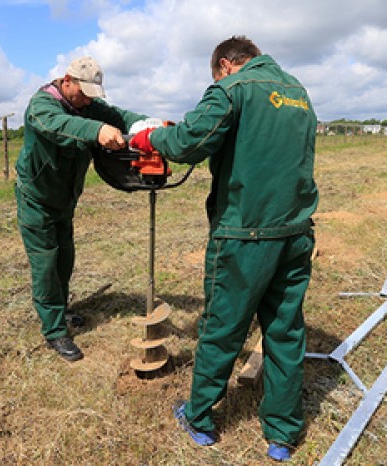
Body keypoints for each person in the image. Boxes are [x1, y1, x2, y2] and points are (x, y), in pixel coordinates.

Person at [130, 35, 318, 462]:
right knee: (285, 332)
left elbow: (188, 143)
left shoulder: (232, 89)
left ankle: (198, 417)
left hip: (244, 236)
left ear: (225, 65)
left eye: (216, 74)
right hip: (294, 231)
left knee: (221, 327)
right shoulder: (297, 92)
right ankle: (283, 434)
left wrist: (151, 139)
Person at [15, 56, 150, 362]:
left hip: (64, 199)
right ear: (67, 81)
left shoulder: (85, 105)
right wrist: (98, 131)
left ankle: (60, 311)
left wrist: (146, 125)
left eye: (93, 95)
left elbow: (118, 114)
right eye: (84, 93)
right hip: (37, 199)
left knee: (64, 258)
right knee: (46, 264)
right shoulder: (41, 107)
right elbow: (62, 126)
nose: (88, 101)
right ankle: (54, 331)